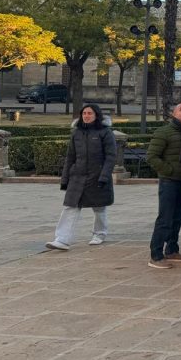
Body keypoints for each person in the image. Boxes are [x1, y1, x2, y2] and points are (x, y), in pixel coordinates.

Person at [46, 103, 117, 251]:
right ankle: (62, 239)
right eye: (84, 113)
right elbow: (70, 157)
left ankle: (99, 233)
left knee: (99, 207)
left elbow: (111, 157)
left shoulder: (105, 132)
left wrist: (104, 176)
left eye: (89, 113)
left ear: (96, 115)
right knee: (70, 207)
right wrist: (65, 178)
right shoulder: (76, 133)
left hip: (97, 176)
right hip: (77, 177)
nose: (86, 116)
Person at [146, 102, 181, 268]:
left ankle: (172, 249)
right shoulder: (164, 132)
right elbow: (151, 156)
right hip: (169, 181)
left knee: (178, 218)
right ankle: (156, 255)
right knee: (165, 218)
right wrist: (169, 170)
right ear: (174, 114)